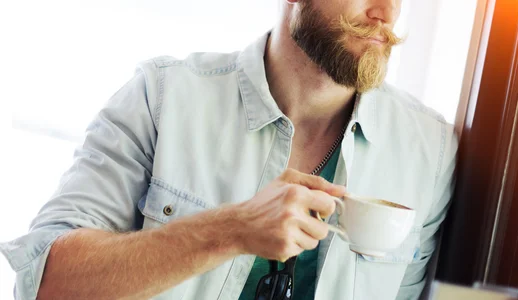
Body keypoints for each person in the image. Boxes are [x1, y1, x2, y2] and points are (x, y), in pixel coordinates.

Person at [0, 0, 457, 299]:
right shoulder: (159, 98)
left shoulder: (431, 154)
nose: (387, 13)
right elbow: (43, 282)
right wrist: (229, 230)